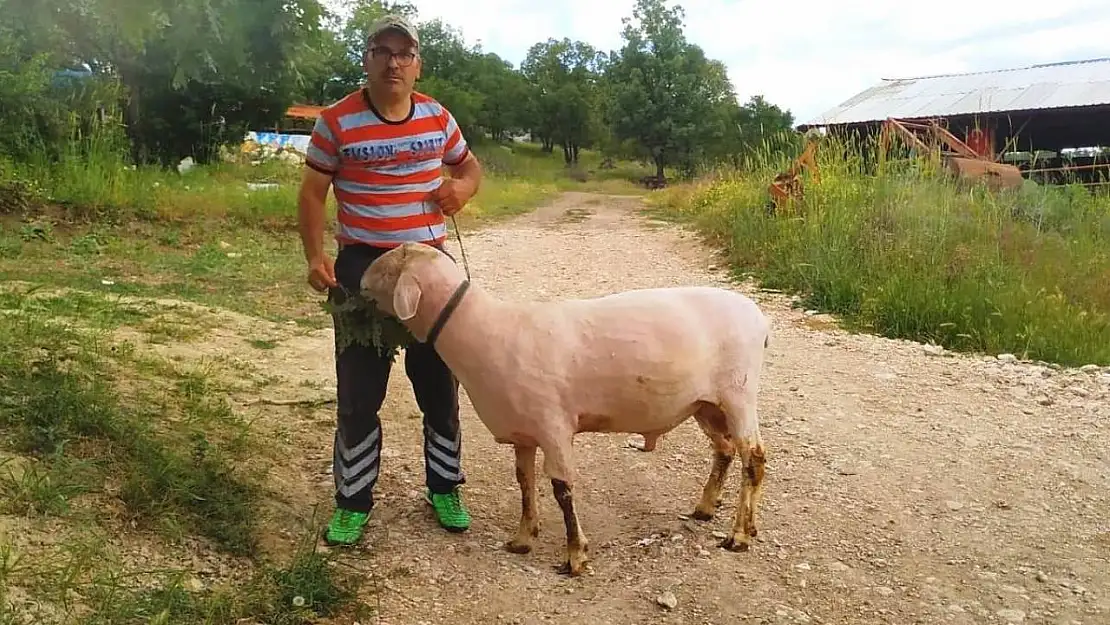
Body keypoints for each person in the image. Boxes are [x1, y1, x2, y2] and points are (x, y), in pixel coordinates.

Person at [295, 13, 483, 547]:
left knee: (438, 383)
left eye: (405, 53)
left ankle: (445, 485)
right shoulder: (336, 121)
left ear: (418, 64)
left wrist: (462, 191)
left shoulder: (437, 117)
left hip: (431, 266)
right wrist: (315, 256)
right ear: (367, 59)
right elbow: (312, 193)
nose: (394, 62)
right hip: (361, 265)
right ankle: (353, 500)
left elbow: (469, 168)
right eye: (383, 51)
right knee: (359, 390)